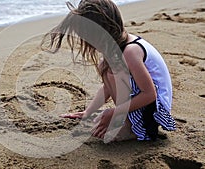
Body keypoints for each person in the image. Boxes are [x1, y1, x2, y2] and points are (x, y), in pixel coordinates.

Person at [41, 0, 176, 141]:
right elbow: (107, 87)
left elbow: (149, 94)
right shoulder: (117, 48)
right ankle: (127, 120)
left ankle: (131, 127)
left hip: (154, 113)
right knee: (105, 67)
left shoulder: (130, 51)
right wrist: (88, 112)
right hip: (145, 104)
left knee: (110, 72)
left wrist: (114, 112)